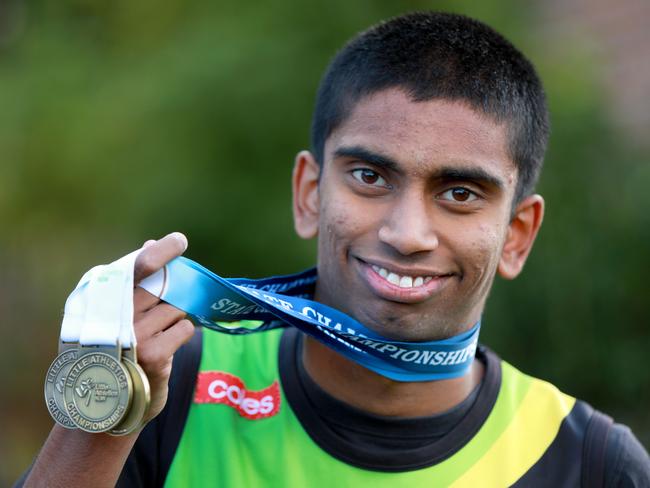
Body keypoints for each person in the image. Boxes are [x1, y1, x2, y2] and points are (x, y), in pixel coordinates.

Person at [19, 11, 649, 487]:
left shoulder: (589, 463)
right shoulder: (170, 387)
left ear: (516, 236)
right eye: (371, 177)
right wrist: (103, 408)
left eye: (460, 193)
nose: (407, 233)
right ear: (309, 194)